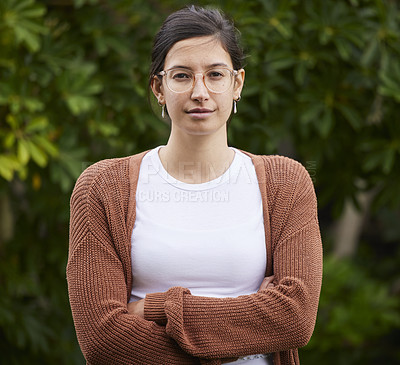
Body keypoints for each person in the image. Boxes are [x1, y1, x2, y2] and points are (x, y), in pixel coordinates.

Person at [67, 5, 323, 365]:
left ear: (237, 84)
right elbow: (103, 340)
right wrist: (251, 324)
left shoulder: (286, 183)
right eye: (182, 76)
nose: (200, 91)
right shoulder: (102, 187)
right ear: (159, 87)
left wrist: (158, 307)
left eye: (216, 75)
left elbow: (295, 317)